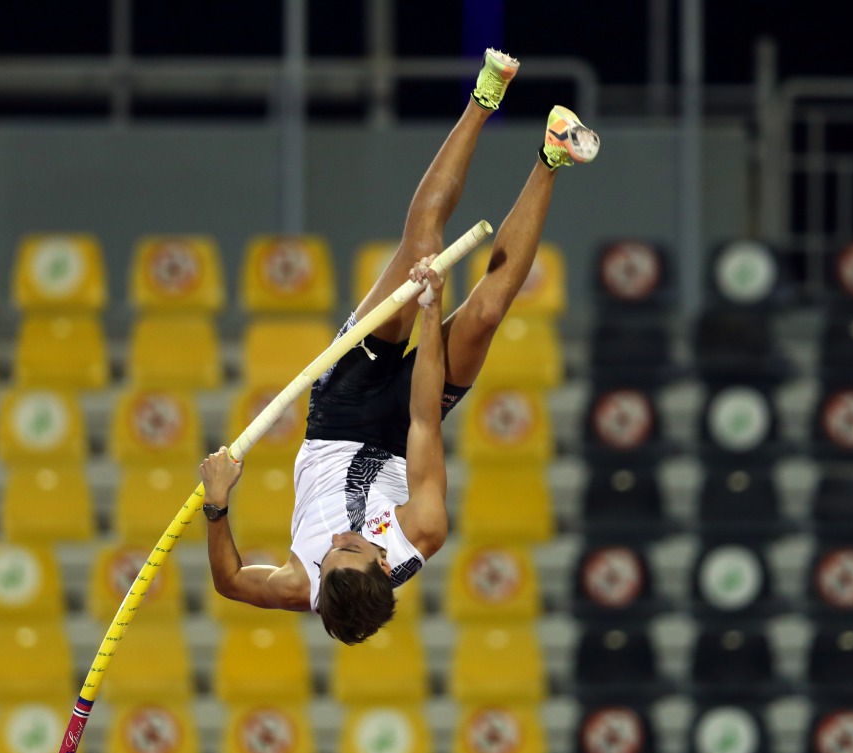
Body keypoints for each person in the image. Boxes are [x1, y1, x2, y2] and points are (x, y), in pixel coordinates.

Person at [199, 48, 599, 643]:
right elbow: (422, 422)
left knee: (422, 246)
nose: (337, 539)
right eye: (352, 546)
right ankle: (552, 154)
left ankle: (484, 95)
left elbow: (230, 581)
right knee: (485, 313)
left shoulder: (301, 584)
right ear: (384, 564)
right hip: (401, 431)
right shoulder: (422, 530)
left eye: (328, 553)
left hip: (340, 411)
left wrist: (216, 504)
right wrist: (434, 305)